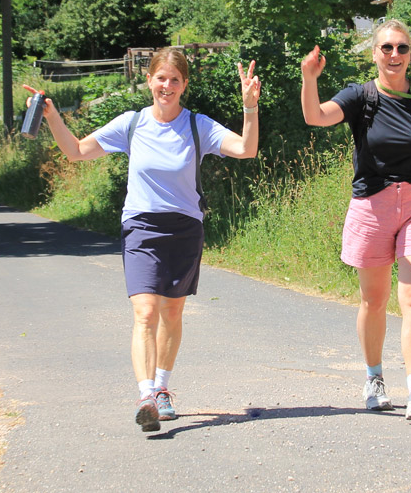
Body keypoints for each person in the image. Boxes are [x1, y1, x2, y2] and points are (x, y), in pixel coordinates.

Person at [29, 47, 260, 432]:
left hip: (185, 229)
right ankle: (146, 395)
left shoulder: (197, 125)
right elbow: (76, 151)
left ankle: (163, 388)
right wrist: (53, 117)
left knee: (172, 313)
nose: (166, 86)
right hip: (141, 227)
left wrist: (249, 107)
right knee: (145, 312)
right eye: (160, 78)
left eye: (174, 79)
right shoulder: (131, 124)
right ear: (149, 80)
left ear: (184, 84)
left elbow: (246, 149)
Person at [301, 20, 411, 421]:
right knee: (374, 301)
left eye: (402, 49)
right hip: (372, 204)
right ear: (374, 53)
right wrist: (309, 79)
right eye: (387, 48)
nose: (395, 55)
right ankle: (374, 379)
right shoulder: (360, 97)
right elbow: (316, 117)